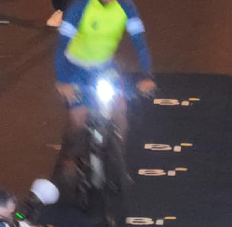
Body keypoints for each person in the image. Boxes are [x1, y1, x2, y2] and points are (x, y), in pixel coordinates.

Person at [54, 0, 156, 173]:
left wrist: (147, 76)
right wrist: (62, 81)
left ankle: (118, 157)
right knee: (78, 119)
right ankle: (68, 157)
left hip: (104, 68)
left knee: (120, 110)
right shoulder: (80, 6)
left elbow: (140, 43)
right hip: (75, 68)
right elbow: (62, 44)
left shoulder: (127, 7)